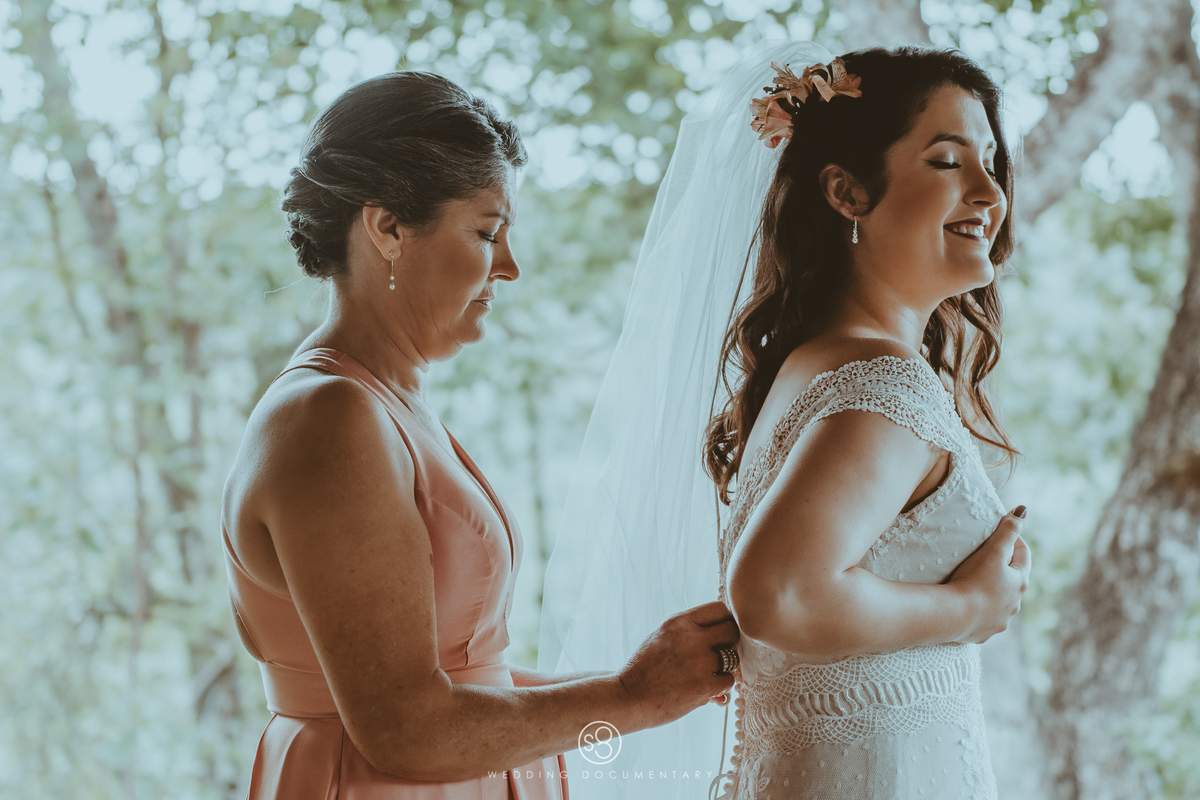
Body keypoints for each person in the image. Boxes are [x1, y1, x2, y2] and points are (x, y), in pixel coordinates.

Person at [220, 71, 738, 800]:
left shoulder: (389, 402)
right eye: (487, 232)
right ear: (388, 228)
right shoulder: (329, 418)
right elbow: (407, 727)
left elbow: (467, 676)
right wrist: (631, 696)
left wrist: (661, 677)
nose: (509, 267)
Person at [539, 42, 1030, 800]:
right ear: (847, 193)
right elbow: (779, 595)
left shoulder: (818, 363)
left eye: (990, 163)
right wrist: (968, 607)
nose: (989, 193)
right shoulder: (881, 389)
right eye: (946, 161)